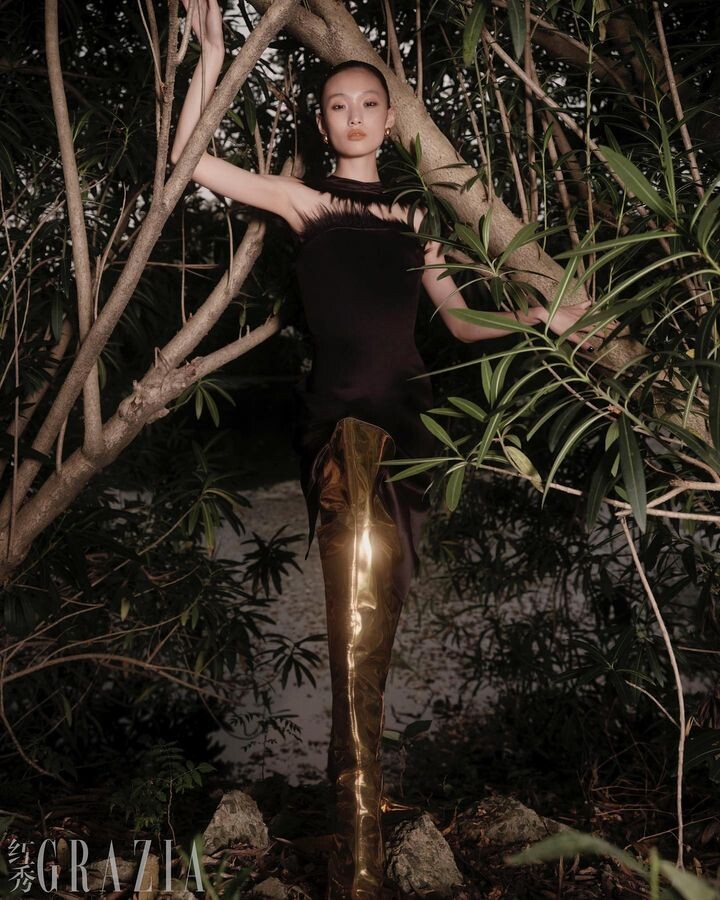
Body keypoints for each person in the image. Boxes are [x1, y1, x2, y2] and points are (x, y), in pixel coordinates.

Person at [170, 3, 601, 896]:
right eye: (339, 106)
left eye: (369, 103)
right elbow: (189, 163)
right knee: (351, 627)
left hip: (410, 432)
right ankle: (360, 861)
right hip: (338, 428)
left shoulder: (414, 218)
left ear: (391, 118)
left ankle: (356, 821)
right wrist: (210, 56)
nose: (356, 116)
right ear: (322, 121)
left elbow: (461, 324)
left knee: (376, 629)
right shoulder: (307, 200)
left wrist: (543, 321)